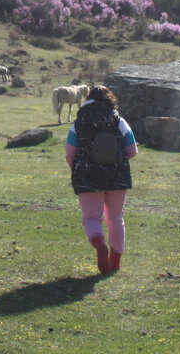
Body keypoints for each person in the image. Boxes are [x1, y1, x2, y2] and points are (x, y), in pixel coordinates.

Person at [65, 84, 138, 274]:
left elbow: (69, 153)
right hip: (118, 177)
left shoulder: (78, 122)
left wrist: (79, 169)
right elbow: (132, 150)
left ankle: (98, 243)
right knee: (115, 219)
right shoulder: (119, 120)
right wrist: (117, 163)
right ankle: (115, 260)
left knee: (91, 218)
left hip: (87, 177)